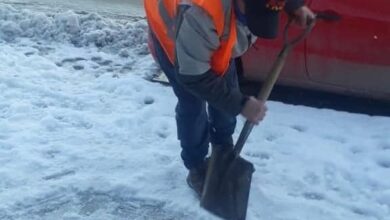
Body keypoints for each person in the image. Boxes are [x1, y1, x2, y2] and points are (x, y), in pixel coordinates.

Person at [144, 0, 315, 196]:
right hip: (175, 36)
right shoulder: (201, 14)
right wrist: (241, 104)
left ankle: (223, 149)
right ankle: (196, 166)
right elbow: (194, 77)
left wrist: (293, 5)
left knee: (226, 91)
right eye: (253, 14)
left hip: (212, 30)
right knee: (193, 104)